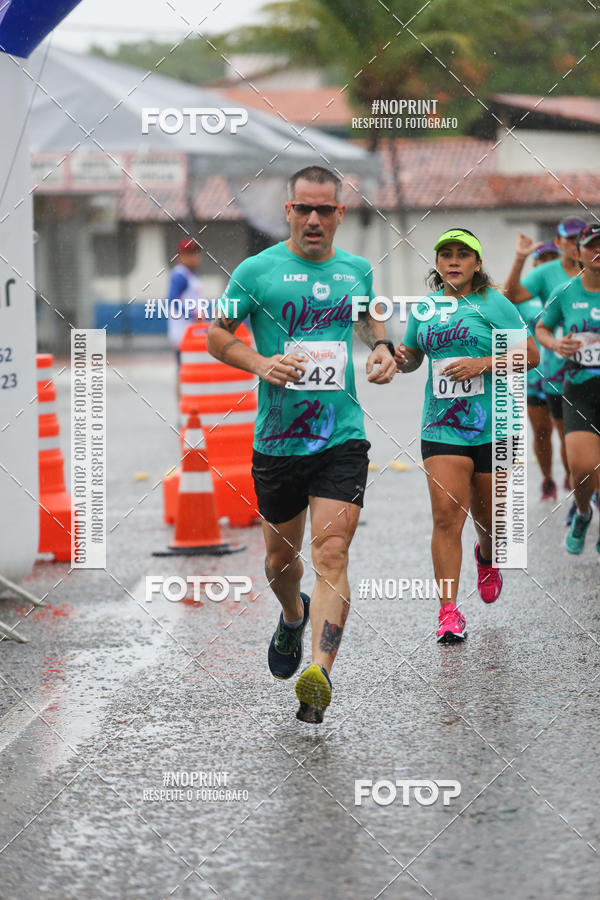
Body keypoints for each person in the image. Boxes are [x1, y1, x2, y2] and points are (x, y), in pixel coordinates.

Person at [206, 165, 396, 722]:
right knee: (279, 559)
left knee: (331, 552)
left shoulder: (356, 270)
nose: (314, 219)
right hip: (278, 441)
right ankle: (293, 614)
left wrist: (381, 346)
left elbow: (368, 315)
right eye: (304, 209)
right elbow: (217, 334)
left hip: (341, 436)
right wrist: (260, 362)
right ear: (288, 211)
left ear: (340, 214)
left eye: (325, 210)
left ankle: (319, 674)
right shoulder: (256, 271)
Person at [395, 228, 539, 642]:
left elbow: (531, 356)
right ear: (437, 263)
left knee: (492, 519)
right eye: (446, 255)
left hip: (494, 426)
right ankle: (448, 611)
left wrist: (483, 363)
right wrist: (397, 360)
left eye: (463, 254)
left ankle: (487, 556)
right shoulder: (425, 309)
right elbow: (413, 357)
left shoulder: (494, 303)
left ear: (478, 263)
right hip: (442, 427)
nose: (454, 261)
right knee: (445, 516)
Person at [504, 217, 587, 522]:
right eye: (568, 240)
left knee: (576, 436)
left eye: (580, 240)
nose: (574, 245)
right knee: (547, 433)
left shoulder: (593, 270)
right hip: (546, 372)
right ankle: (554, 481)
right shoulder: (545, 276)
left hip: (586, 371)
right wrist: (520, 258)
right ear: (559, 241)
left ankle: (580, 487)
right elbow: (509, 298)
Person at [536, 223, 600, 554]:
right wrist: (556, 344)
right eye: (591, 245)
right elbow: (542, 328)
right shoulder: (565, 291)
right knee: (583, 468)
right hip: (578, 388)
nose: (598, 251)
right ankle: (584, 512)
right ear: (578, 251)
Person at [513, 242, 561, 500]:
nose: (548, 262)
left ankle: (575, 475)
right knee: (542, 431)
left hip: (562, 373)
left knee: (569, 430)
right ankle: (547, 479)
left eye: (554, 257)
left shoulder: (566, 291)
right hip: (534, 376)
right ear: (535, 265)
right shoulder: (524, 298)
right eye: (543, 258)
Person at [167, 237, 205, 375]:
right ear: (180, 256)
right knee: (185, 371)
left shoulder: (190, 275)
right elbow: (173, 300)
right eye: (189, 254)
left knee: (192, 370)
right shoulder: (180, 274)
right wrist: (192, 314)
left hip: (193, 331)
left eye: (195, 253)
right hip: (183, 332)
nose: (194, 257)